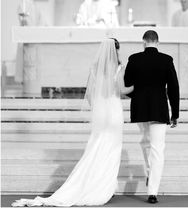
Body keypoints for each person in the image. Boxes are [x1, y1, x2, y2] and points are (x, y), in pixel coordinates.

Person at [12, 39, 133, 207]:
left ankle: (94, 185)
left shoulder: (94, 68)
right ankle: (105, 187)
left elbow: (90, 95)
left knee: (95, 149)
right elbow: (121, 91)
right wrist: (138, 86)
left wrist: (99, 110)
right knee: (111, 150)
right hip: (113, 114)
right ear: (116, 50)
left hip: (101, 114)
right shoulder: (119, 68)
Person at [123, 30, 180, 204]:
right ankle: (153, 192)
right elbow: (173, 88)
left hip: (140, 109)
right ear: (157, 42)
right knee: (157, 149)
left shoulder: (134, 59)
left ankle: (150, 173)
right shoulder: (166, 60)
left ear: (144, 42)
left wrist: (138, 97)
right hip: (159, 108)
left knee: (146, 142)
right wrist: (175, 113)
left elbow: (127, 84)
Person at [15, 0, 46, 83]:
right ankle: (25, 80)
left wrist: (44, 27)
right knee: (27, 60)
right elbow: (23, 19)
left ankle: (34, 80)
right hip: (27, 35)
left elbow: (40, 19)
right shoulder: (23, 3)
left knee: (34, 60)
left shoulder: (34, 4)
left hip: (35, 35)